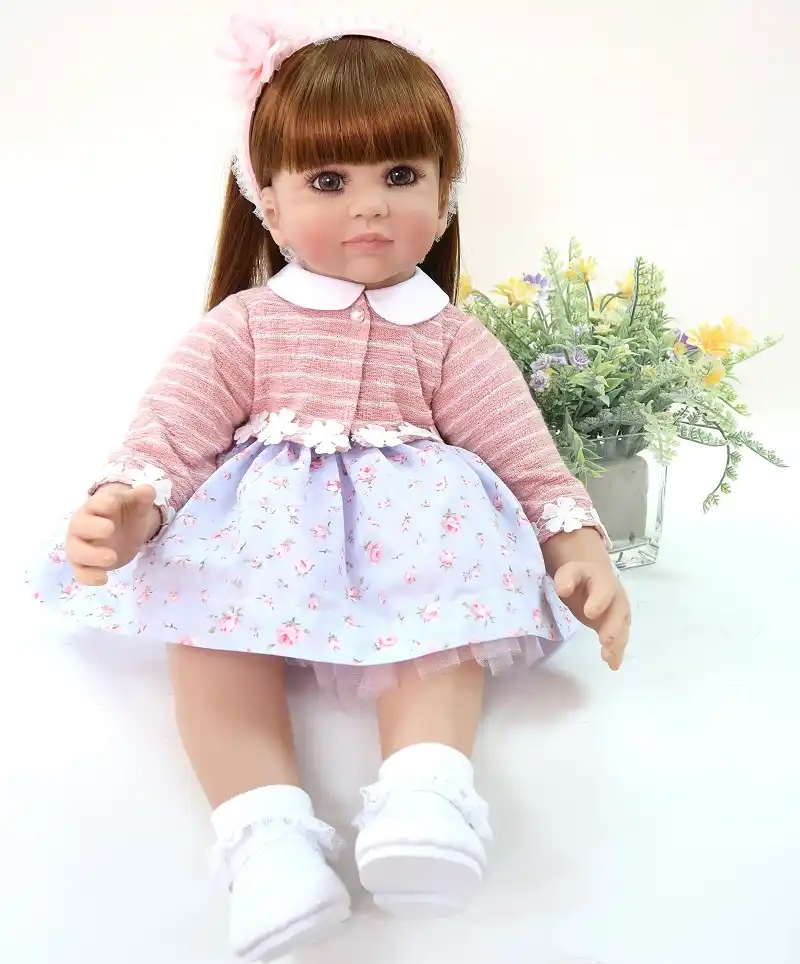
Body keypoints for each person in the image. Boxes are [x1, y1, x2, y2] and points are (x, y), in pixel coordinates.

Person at [30, 13, 631, 963]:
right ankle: (265, 838)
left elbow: (525, 458)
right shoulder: (245, 327)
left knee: (447, 623)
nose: (368, 208)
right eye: (327, 181)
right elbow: (172, 434)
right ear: (266, 203)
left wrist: (578, 544)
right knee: (208, 635)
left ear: (444, 194)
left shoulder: (451, 340)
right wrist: (131, 509)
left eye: (400, 176)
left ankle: (428, 793)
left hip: (416, 541)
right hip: (261, 542)